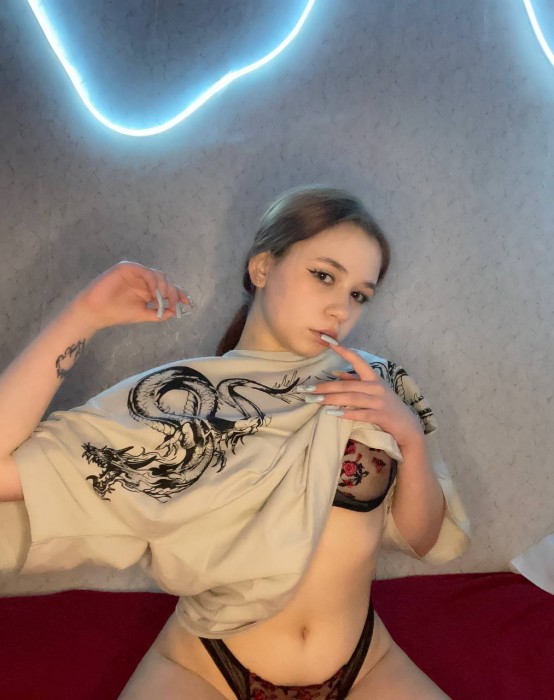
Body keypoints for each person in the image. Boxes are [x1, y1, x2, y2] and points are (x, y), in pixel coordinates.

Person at [0, 186, 470, 699]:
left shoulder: (374, 384)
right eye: (323, 276)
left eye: (359, 294)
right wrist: (85, 314)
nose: (340, 308)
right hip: (206, 667)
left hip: (366, 665)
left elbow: (425, 540)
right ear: (262, 267)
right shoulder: (178, 404)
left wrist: (409, 438)